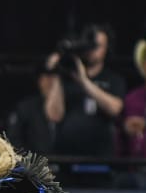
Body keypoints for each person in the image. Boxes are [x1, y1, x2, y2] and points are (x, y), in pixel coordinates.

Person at [42, 24, 125, 158]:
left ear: (106, 49)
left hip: (100, 158)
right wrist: (57, 73)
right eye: (89, 45)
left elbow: (115, 109)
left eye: (97, 46)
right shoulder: (67, 78)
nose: (92, 50)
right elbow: (53, 115)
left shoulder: (113, 79)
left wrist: (84, 81)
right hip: (66, 159)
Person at [4, 63, 57, 158]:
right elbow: (14, 139)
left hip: (68, 163)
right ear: (39, 81)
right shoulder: (26, 107)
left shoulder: (73, 105)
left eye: (53, 78)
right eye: (45, 78)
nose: (50, 83)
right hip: (34, 163)